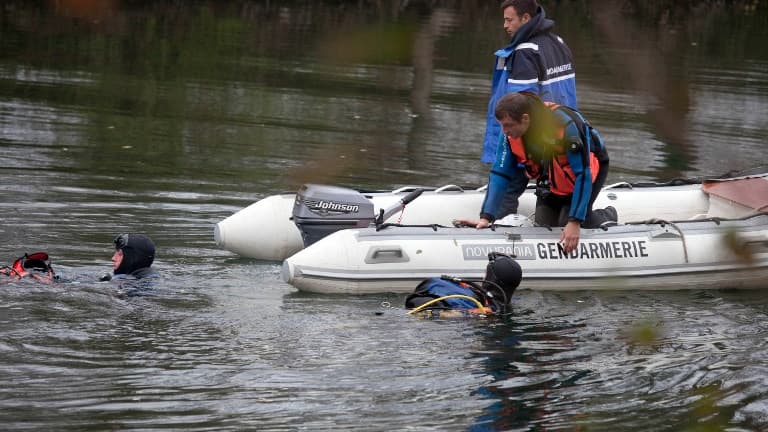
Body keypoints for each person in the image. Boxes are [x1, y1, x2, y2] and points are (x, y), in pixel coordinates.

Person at [463, 92, 616, 254]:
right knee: (543, 227)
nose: (504, 131)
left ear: (525, 119)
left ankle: (607, 215)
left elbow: (583, 174)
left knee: (567, 222)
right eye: (502, 125)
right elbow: (500, 174)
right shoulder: (510, 134)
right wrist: (486, 216)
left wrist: (575, 221)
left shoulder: (565, 126)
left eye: (508, 125)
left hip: (588, 171)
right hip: (551, 176)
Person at [482, 0, 578, 218]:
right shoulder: (559, 43)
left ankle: (497, 229)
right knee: (553, 200)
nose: (505, 25)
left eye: (509, 20)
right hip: (559, 136)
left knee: (504, 195)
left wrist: (510, 146)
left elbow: (518, 106)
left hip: (528, 140)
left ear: (525, 18)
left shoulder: (525, 51)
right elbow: (568, 93)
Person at [405, 253, 522, 317]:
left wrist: (453, 314)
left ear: (489, 277)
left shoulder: (473, 305)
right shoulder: (505, 308)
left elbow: (415, 304)